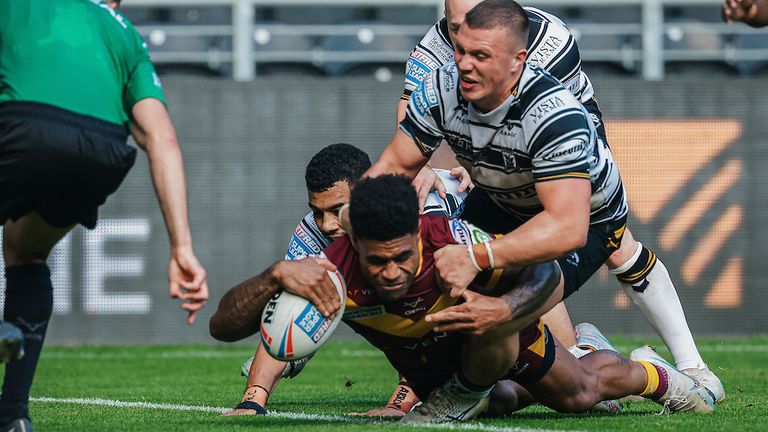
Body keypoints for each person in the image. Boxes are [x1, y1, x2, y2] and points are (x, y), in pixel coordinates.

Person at [376, 0, 724, 401]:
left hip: (566, 169)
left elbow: (551, 184)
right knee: (504, 378)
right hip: (495, 167)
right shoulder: (432, 60)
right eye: (456, 32)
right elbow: (410, 139)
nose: (463, 48)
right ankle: (560, 359)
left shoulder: (549, 50)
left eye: (478, 38)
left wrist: (478, 253)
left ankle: (680, 370)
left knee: (564, 264)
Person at [212, 174, 715, 423]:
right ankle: (472, 390)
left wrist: (503, 308)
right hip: (440, 364)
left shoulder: (453, 238)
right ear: (354, 246)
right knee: (503, 401)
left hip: (496, 334)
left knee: (578, 394)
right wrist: (272, 276)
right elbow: (224, 326)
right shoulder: (329, 269)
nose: (391, 273)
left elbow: (545, 274)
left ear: (418, 233)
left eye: (403, 257)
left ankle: (655, 375)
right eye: (376, 262)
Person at [0, 1, 209, 430]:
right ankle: (13, 416)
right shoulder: (126, 34)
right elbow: (162, 138)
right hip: (100, 150)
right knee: (26, 254)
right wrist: (182, 247)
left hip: (23, 125)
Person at [210, 143, 468, 416]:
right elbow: (293, 308)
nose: (327, 225)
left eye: (338, 210)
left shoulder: (415, 208)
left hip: (483, 306)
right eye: (318, 212)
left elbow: (420, 312)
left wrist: (398, 406)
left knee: (505, 392)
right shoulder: (312, 233)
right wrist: (252, 401)